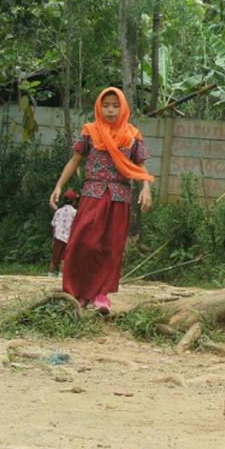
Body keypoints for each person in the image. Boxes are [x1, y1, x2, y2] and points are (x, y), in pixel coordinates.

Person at [50, 88, 153, 314]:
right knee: (83, 242)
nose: (110, 110)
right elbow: (75, 160)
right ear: (99, 106)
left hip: (119, 197)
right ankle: (74, 292)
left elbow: (141, 166)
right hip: (93, 195)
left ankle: (101, 296)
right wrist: (58, 186)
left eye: (116, 105)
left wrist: (146, 188)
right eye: (106, 105)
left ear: (123, 107)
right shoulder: (90, 132)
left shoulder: (132, 135)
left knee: (111, 246)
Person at [49, 190, 78, 276]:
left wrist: (53, 238)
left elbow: (54, 225)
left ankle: (50, 275)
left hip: (57, 236)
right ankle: (61, 276)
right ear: (73, 201)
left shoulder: (58, 211)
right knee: (64, 258)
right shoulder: (75, 212)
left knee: (55, 258)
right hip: (68, 238)